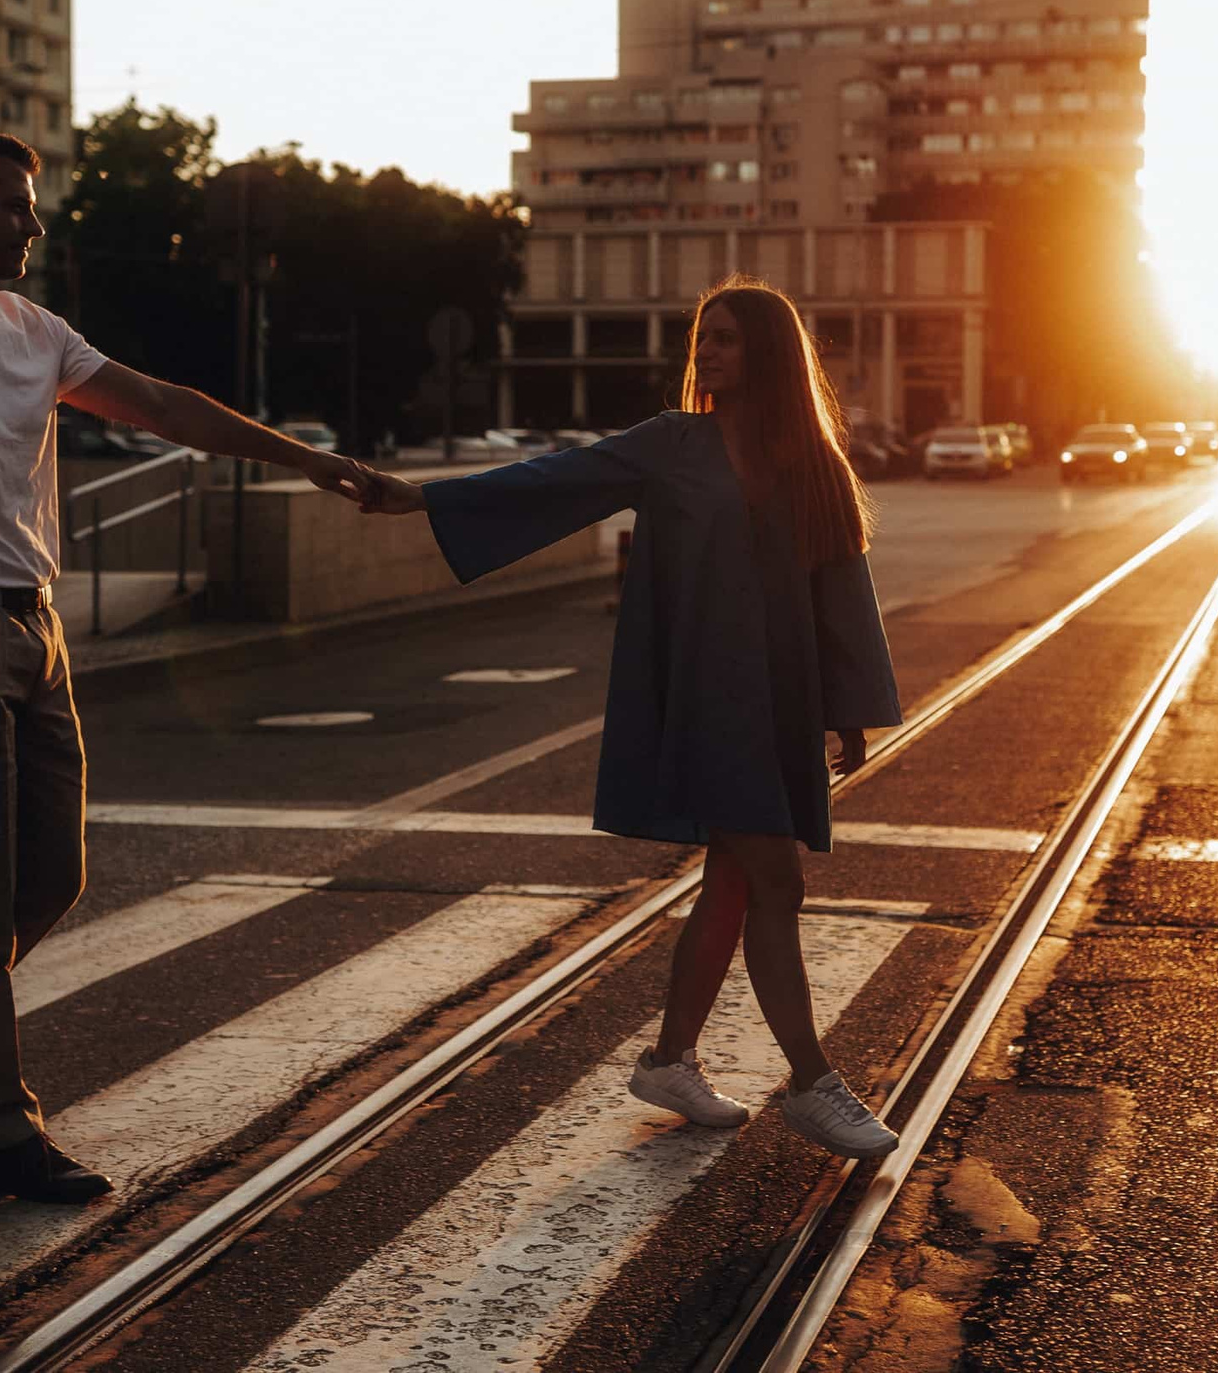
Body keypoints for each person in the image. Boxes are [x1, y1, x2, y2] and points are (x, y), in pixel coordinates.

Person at [0, 126, 369, 1203]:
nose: (32, 221)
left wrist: (314, 461)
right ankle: (4, 1140)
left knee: (51, 882)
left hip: (38, 628)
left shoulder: (31, 330)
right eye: (15, 201)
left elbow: (164, 406)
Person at [352, 276, 905, 1159]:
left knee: (733, 875)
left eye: (725, 337)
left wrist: (851, 710)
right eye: (703, 338)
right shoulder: (672, 444)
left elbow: (842, 588)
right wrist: (421, 496)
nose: (706, 352)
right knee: (773, 879)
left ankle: (669, 1059)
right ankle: (810, 1080)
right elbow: (553, 480)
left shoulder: (815, 461)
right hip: (708, 695)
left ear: (768, 349)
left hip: (783, 700)